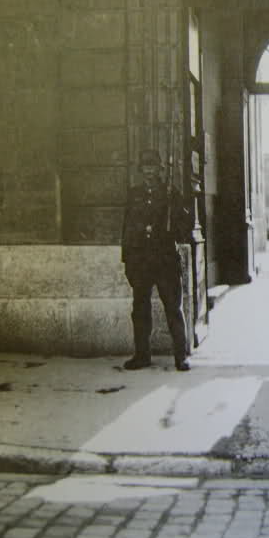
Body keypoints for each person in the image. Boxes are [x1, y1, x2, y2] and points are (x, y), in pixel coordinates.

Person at [121, 149, 191, 372]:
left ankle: (181, 356)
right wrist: (128, 261)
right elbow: (127, 229)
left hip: (165, 260)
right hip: (141, 260)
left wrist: (175, 213)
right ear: (141, 171)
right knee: (140, 309)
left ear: (160, 170)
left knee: (173, 307)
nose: (149, 172)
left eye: (153, 167)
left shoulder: (170, 193)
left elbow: (183, 228)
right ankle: (142, 355)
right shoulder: (134, 195)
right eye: (145, 168)